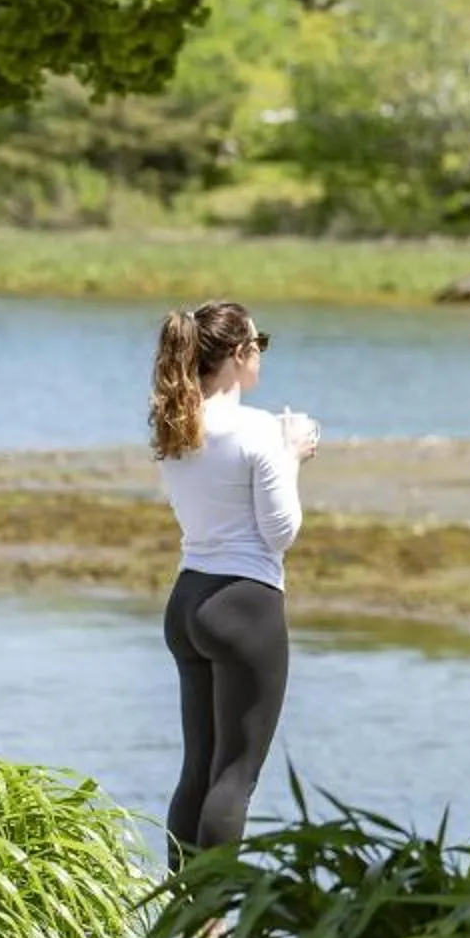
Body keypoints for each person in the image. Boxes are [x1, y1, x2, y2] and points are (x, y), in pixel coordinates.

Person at [148, 300, 318, 865]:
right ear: (242, 353)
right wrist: (292, 455)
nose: (261, 358)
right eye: (259, 346)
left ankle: (184, 918)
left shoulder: (177, 420)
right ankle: (216, 924)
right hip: (244, 605)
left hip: (188, 599)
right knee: (235, 774)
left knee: (198, 765)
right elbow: (281, 532)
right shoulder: (258, 430)